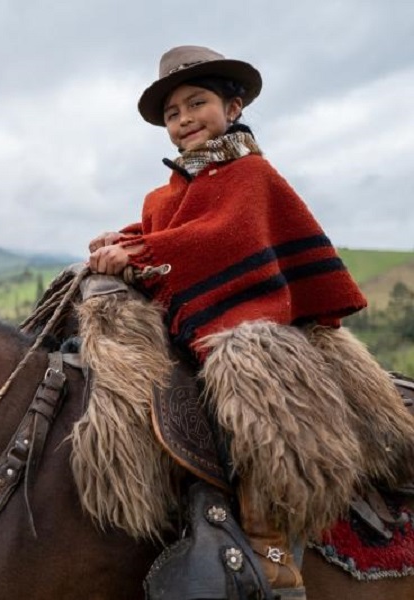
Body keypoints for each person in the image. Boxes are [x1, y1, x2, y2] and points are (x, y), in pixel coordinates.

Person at [87, 46, 414, 598]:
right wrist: (119, 241)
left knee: (252, 390)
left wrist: (140, 255)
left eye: (198, 104)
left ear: (233, 107)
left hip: (252, 318)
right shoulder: (167, 190)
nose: (185, 119)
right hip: (189, 320)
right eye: (173, 114)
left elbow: (226, 238)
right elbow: (167, 226)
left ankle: (273, 543)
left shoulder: (250, 172)